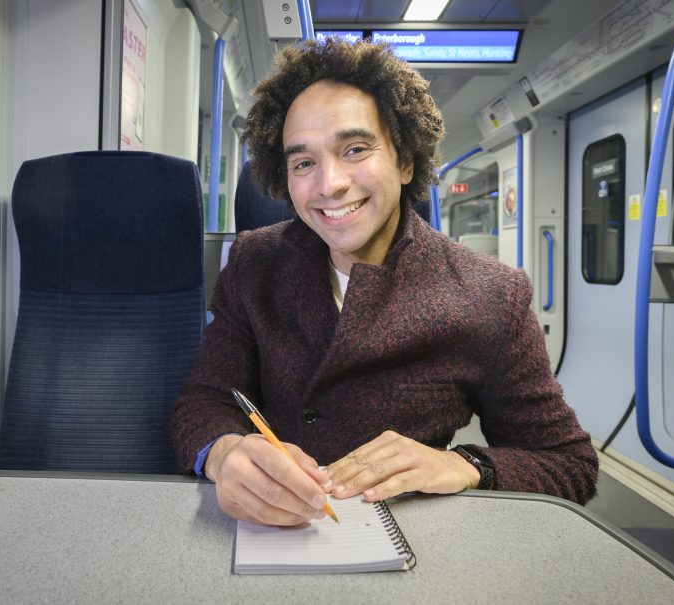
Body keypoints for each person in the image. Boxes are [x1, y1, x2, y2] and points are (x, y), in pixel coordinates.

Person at [171, 38, 598, 527]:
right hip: (274, 535)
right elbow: (204, 401)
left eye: (355, 149)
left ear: (405, 161)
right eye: (303, 162)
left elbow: (570, 465)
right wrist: (224, 453)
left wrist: (463, 464)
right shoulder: (254, 263)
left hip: (415, 544)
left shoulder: (490, 294)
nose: (329, 183)